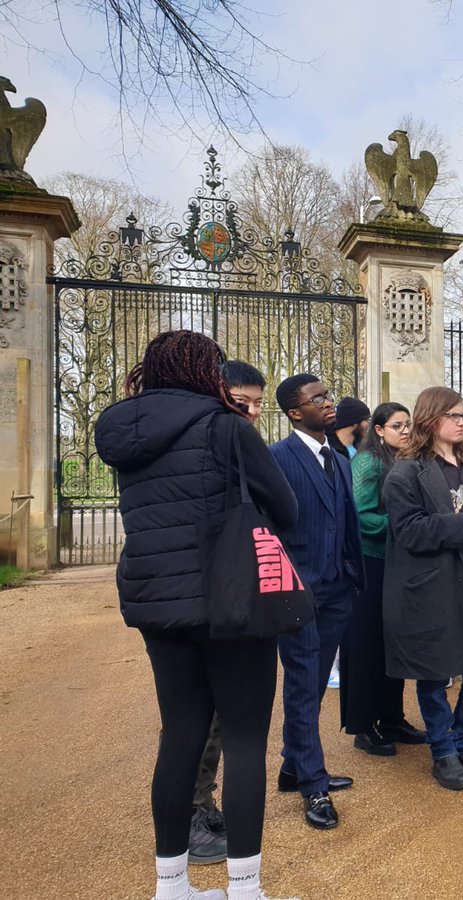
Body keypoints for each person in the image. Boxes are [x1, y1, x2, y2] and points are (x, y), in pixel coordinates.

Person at [96, 330, 300, 900]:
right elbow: (288, 508)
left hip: (160, 601)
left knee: (179, 737)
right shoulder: (226, 425)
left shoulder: (122, 432)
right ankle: (244, 888)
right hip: (231, 598)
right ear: (205, 371)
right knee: (242, 740)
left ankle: (172, 888)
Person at [381, 387, 463, 790]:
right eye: (454, 415)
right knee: (434, 678)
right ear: (430, 418)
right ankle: (443, 753)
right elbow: (407, 531)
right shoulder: (406, 471)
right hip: (431, 590)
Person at [182, 359, 270, 868]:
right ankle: (192, 812)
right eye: (244, 402)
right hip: (206, 594)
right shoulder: (210, 445)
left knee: (213, 718)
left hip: (226, 590)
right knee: (195, 718)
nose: (252, 412)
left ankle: (203, 801)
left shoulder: (233, 439)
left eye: (258, 403)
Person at [269, 375, 365, 830]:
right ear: (295, 412)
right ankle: (313, 784)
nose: (329, 402)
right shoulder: (277, 459)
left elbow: (344, 521)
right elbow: (265, 534)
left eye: (328, 395)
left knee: (313, 682)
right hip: (297, 593)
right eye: (318, 399)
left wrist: (349, 577)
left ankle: (293, 766)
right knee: (304, 685)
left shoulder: (341, 457)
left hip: (336, 590)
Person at [341, 402, 428, 754]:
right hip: (370, 563)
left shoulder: (402, 460)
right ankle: (364, 726)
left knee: (394, 642)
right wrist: (400, 525)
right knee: (366, 645)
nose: (405, 430)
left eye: (407, 424)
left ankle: (392, 717)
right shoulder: (367, 461)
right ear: (378, 429)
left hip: (395, 562)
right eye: (396, 425)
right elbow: (360, 516)